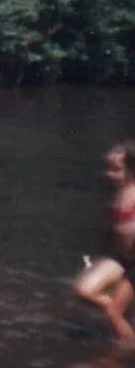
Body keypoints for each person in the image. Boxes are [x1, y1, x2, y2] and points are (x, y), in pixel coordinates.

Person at [74, 141, 135, 346]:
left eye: (116, 169)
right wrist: (98, 256)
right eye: (108, 168)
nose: (109, 174)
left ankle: (127, 350)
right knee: (84, 289)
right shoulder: (114, 193)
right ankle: (122, 317)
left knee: (112, 312)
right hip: (120, 257)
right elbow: (112, 231)